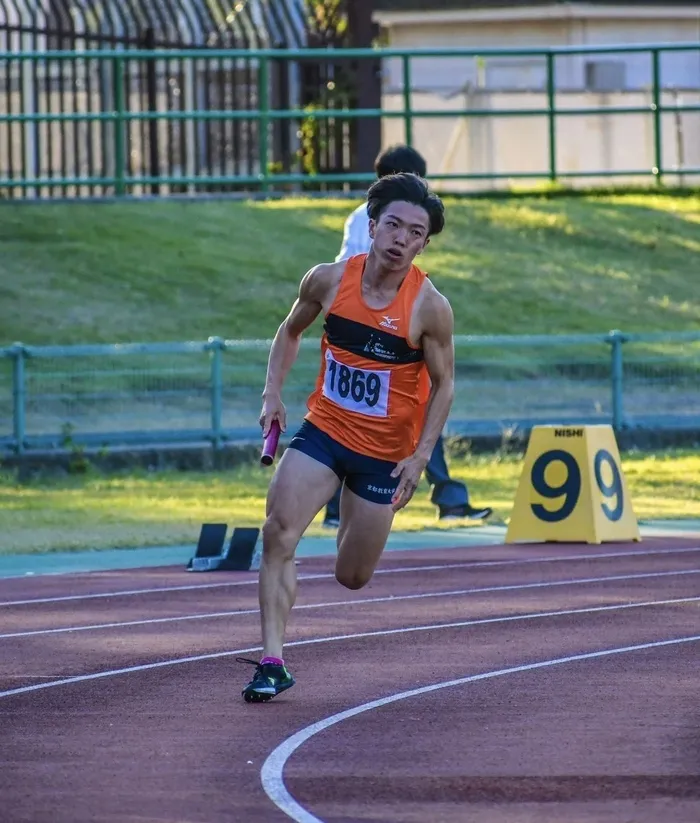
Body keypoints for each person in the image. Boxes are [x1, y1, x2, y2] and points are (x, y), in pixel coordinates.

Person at [240, 172, 455, 702]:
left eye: (415, 233)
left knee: (352, 576)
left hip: (383, 456)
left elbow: (445, 383)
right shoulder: (328, 280)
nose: (401, 239)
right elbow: (290, 330)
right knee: (277, 534)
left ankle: (352, 525)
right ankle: (272, 661)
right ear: (372, 224)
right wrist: (272, 394)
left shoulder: (429, 308)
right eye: (393, 226)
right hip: (324, 432)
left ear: (425, 243)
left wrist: (421, 455)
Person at [323, 144, 492, 527]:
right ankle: (342, 508)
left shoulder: (396, 221)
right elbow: (348, 270)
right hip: (373, 335)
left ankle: (444, 498)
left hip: (396, 330)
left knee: (412, 417)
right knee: (365, 419)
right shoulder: (368, 221)